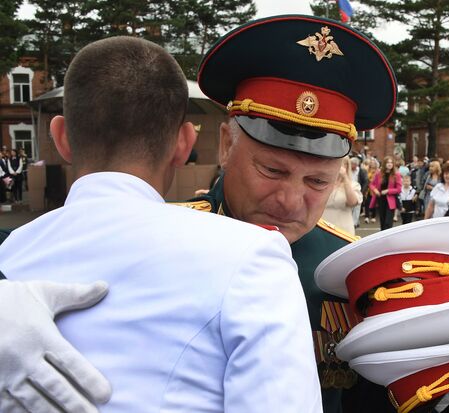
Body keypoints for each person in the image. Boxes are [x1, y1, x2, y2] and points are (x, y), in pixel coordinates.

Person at [0, 16, 400, 413]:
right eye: (272, 171)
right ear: (225, 144)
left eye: (317, 182)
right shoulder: (146, 233)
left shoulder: (356, 275)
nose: (291, 202)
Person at [323, 156, 363, 235]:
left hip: (343, 228)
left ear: (347, 166)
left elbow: (352, 202)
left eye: (343, 163)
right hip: (322, 226)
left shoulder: (353, 185)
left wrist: (345, 178)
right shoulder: (322, 183)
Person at [369, 155, 402, 231]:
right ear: (384, 164)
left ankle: (388, 240)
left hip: (391, 201)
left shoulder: (396, 174)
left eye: (391, 163)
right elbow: (371, 184)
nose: (390, 164)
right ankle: (383, 239)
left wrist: (388, 191)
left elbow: (399, 189)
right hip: (381, 200)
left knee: (388, 222)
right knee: (382, 222)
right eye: (388, 162)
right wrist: (375, 190)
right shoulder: (379, 174)